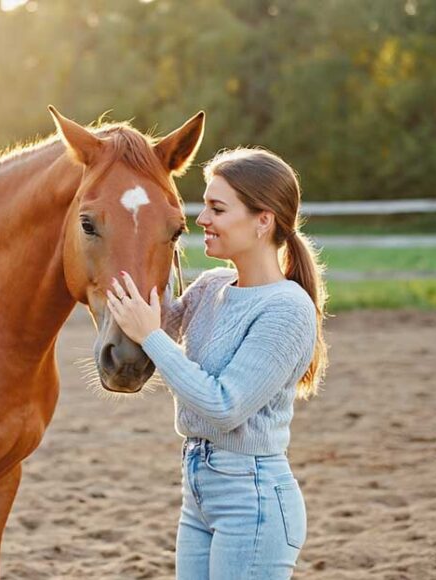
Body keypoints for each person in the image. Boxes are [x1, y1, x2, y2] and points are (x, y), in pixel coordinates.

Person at [106, 147, 328, 579]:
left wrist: (150, 333)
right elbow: (146, 331)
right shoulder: (210, 286)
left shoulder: (287, 309)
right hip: (199, 490)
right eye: (204, 205)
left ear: (263, 221)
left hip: (253, 502)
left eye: (217, 208)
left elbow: (224, 405)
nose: (201, 219)